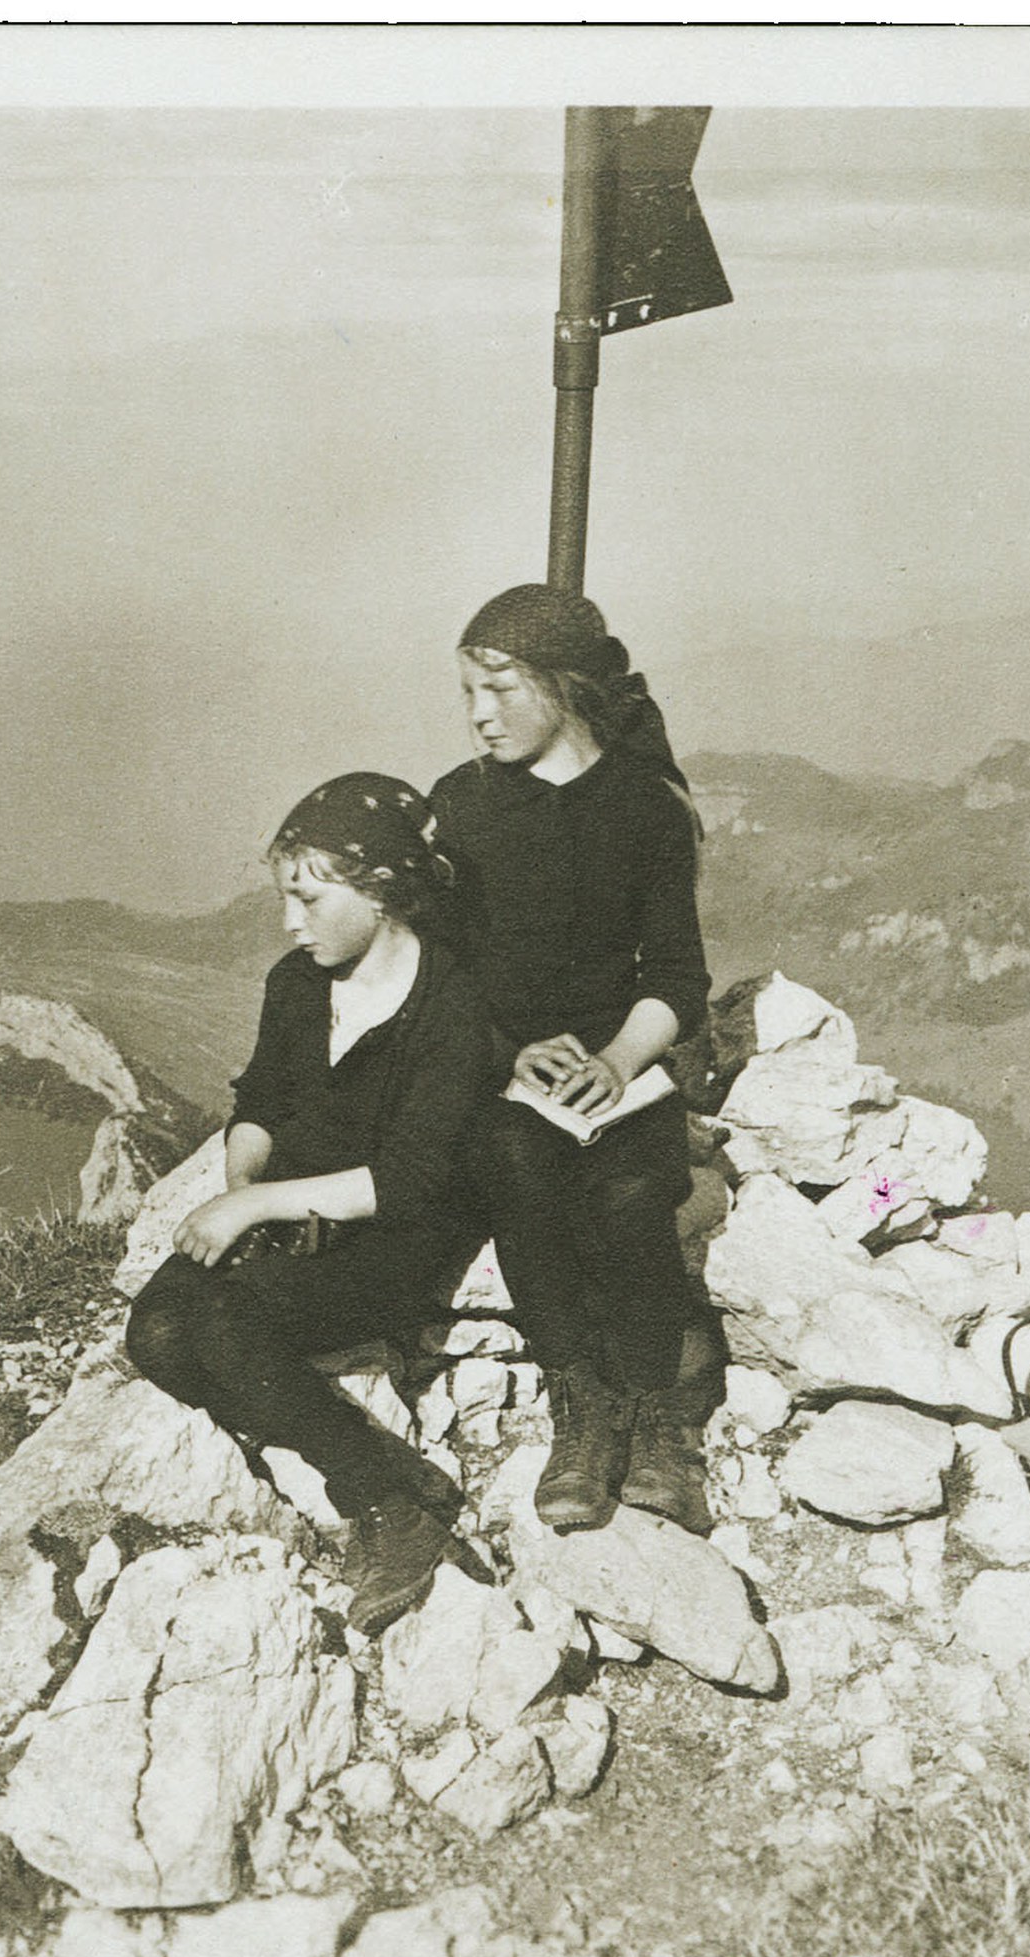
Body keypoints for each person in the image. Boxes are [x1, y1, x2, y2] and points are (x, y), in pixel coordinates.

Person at [124, 772, 507, 1631]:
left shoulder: (452, 1002)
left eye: (308, 898)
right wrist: (245, 1189)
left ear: (381, 890)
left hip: (395, 1235)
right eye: (283, 898)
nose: (289, 922)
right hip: (288, 1210)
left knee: (227, 1328)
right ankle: (396, 1470)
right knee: (156, 1335)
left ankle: (383, 1506)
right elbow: (260, 1100)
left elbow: (410, 1180)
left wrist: (256, 1211)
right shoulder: (296, 985)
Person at [428, 582, 720, 1535]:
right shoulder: (461, 806)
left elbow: (675, 975)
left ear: (563, 687)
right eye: (469, 692)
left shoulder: (645, 809)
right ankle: (582, 1403)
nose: (479, 714)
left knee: (633, 1196)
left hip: (619, 1069)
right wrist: (510, 1055)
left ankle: (659, 1418)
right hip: (503, 1071)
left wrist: (622, 1063)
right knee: (517, 1167)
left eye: (500, 689)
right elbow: (442, 973)